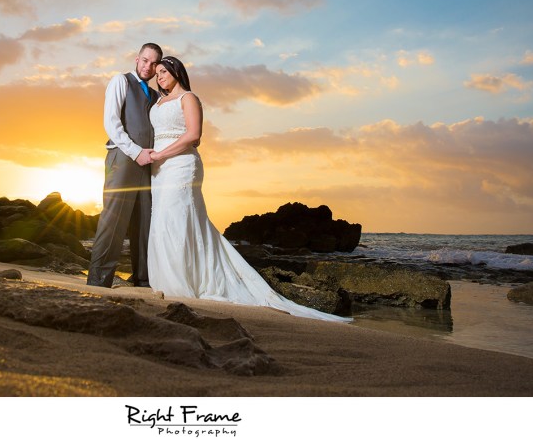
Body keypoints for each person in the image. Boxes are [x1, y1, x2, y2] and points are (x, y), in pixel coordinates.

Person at [146, 56, 350, 322]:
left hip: (181, 165)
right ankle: (164, 280)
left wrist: (160, 154)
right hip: (158, 170)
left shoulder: (189, 98)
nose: (159, 76)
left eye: (164, 71)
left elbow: (194, 136)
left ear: (177, 72)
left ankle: (185, 283)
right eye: (157, 72)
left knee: (179, 219)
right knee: (162, 220)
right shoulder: (158, 101)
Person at [87, 43, 163, 288]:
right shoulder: (121, 81)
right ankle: (99, 280)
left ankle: (143, 279)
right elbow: (111, 123)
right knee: (114, 220)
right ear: (136, 59)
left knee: (145, 222)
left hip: (147, 165)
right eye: (145, 60)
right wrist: (135, 152)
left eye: (153, 64)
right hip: (123, 158)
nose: (148, 67)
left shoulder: (155, 96)